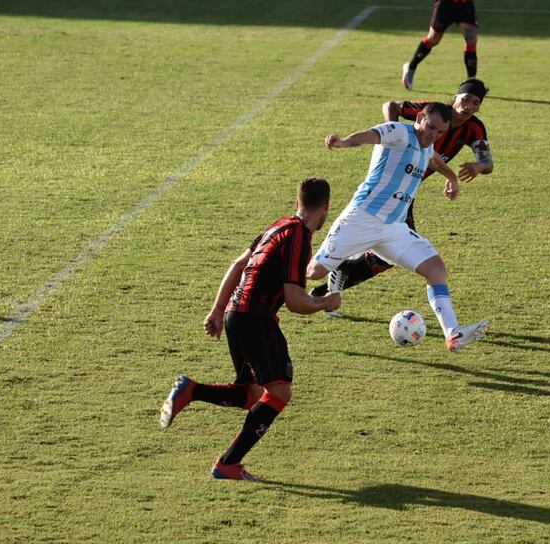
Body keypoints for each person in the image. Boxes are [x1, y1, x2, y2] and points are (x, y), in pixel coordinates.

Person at [159, 177, 342, 482]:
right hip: (257, 317)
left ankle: (191, 391)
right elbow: (295, 301)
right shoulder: (299, 236)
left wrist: (218, 309)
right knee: (279, 392)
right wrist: (326, 302)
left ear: (297, 202)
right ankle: (227, 464)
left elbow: (238, 263)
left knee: (252, 394)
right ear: (325, 208)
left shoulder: (278, 226)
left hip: (236, 314)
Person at [306, 102, 488, 352]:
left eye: (439, 132)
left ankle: (453, 334)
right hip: (362, 219)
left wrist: (452, 177)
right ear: (420, 118)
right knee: (314, 272)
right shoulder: (399, 132)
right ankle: (268, 269)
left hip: (394, 229)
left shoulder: (427, 145)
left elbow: (433, 159)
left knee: (436, 269)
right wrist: (343, 142)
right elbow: (369, 135)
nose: (433, 135)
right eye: (431, 127)